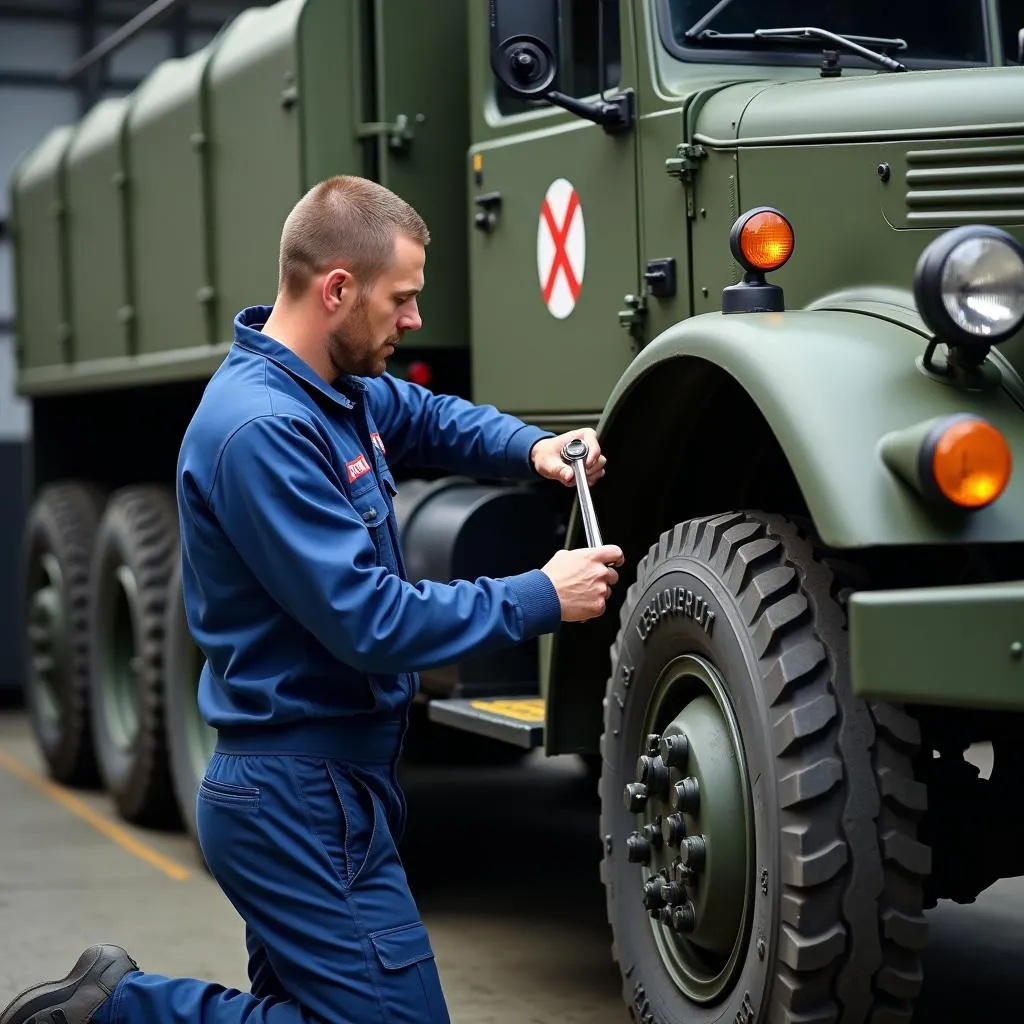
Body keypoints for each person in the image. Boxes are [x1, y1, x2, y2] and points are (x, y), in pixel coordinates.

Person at [1, 176, 623, 1024]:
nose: (412, 321)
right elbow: (372, 620)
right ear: (338, 288)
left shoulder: (329, 391)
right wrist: (540, 594)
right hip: (296, 795)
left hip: (337, 785)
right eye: (401, 300)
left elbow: (429, 417)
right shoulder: (262, 431)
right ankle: (120, 1011)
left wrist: (535, 448)